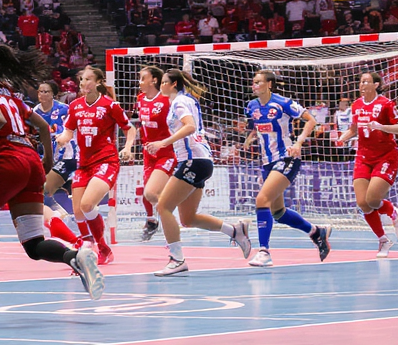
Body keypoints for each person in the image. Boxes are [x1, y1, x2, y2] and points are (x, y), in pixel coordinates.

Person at [0, 46, 103, 322]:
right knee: (34, 244)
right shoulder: (9, 92)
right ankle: (75, 256)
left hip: (4, 162)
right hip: (30, 162)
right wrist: (46, 162)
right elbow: (41, 127)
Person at [142, 69, 252, 276]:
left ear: (173, 84)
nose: (162, 85)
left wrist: (162, 143)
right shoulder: (188, 99)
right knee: (188, 218)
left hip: (193, 160)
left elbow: (190, 127)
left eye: (164, 82)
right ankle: (235, 230)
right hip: (201, 160)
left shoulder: (179, 102)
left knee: (164, 206)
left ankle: (177, 259)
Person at [242, 69, 330, 266]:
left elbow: (311, 120)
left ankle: (264, 251)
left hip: (287, 157)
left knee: (262, 200)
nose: (254, 85)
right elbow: (259, 125)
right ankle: (316, 232)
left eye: (258, 82)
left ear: (269, 85)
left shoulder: (283, 103)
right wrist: (250, 138)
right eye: (253, 82)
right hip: (267, 161)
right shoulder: (252, 106)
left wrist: (298, 143)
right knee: (278, 212)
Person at [53, 67, 136, 265]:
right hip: (84, 164)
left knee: (87, 204)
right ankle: (88, 244)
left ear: (98, 82)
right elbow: (69, 131)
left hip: (106, 160)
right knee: (78, 211)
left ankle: (102, 248)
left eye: (88, 79)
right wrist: (62, 138)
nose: (83, 83)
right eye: (82, 80)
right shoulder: (75, 106)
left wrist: (127, 147)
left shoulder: (110, 105)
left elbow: (129, 128)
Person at [336, 71, 398, 258]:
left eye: (367, 81)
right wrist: (343, 138)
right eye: (361, 82)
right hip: (363, 156)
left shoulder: (386, 104)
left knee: (372, 200)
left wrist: (380, 126)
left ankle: (394, 213)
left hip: (386, 156)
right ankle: (383, 240)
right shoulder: (357, 105)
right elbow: (354, 128)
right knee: (363, 203)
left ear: (376, 85)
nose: (362, 85)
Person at [34, 81, 82, 246]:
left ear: (53, 94)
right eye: (40, 91)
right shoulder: (35, 112)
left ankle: (65, 221)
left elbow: (74, 128)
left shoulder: (63, 109)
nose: (43, 95)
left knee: (45, 190)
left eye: (46, 91)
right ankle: (64, 217)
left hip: (68, 156)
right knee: (45, 191)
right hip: (49, 157)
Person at [132, 66, 175, 242]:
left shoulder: (168, 100)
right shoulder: (140, 99)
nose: (140, 82)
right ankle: (152, 222)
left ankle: (170, 224)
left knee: (152, 193)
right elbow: (140, 125)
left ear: (154, 80)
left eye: (143, 78)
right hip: (148, 154)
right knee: (146, 193)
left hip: (167, 153)